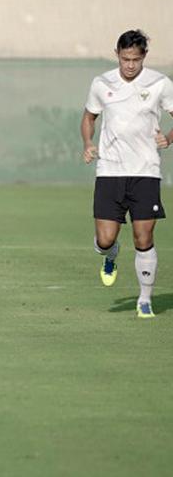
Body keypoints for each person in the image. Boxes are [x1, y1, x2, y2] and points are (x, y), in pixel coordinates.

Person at [81, 29, 173, 319]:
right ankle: (110, 255)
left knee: (143, 237)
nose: (130, 65)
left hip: (146, 171)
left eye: (135, 59)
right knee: (105, 239)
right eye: (125, 59)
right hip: (110, 171)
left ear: (144, 56)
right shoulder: (102, 83)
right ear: (117, 55)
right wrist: (88, 143)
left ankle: (145, 300)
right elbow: (89, 117)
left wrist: (168, 139)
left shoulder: (159, 83)